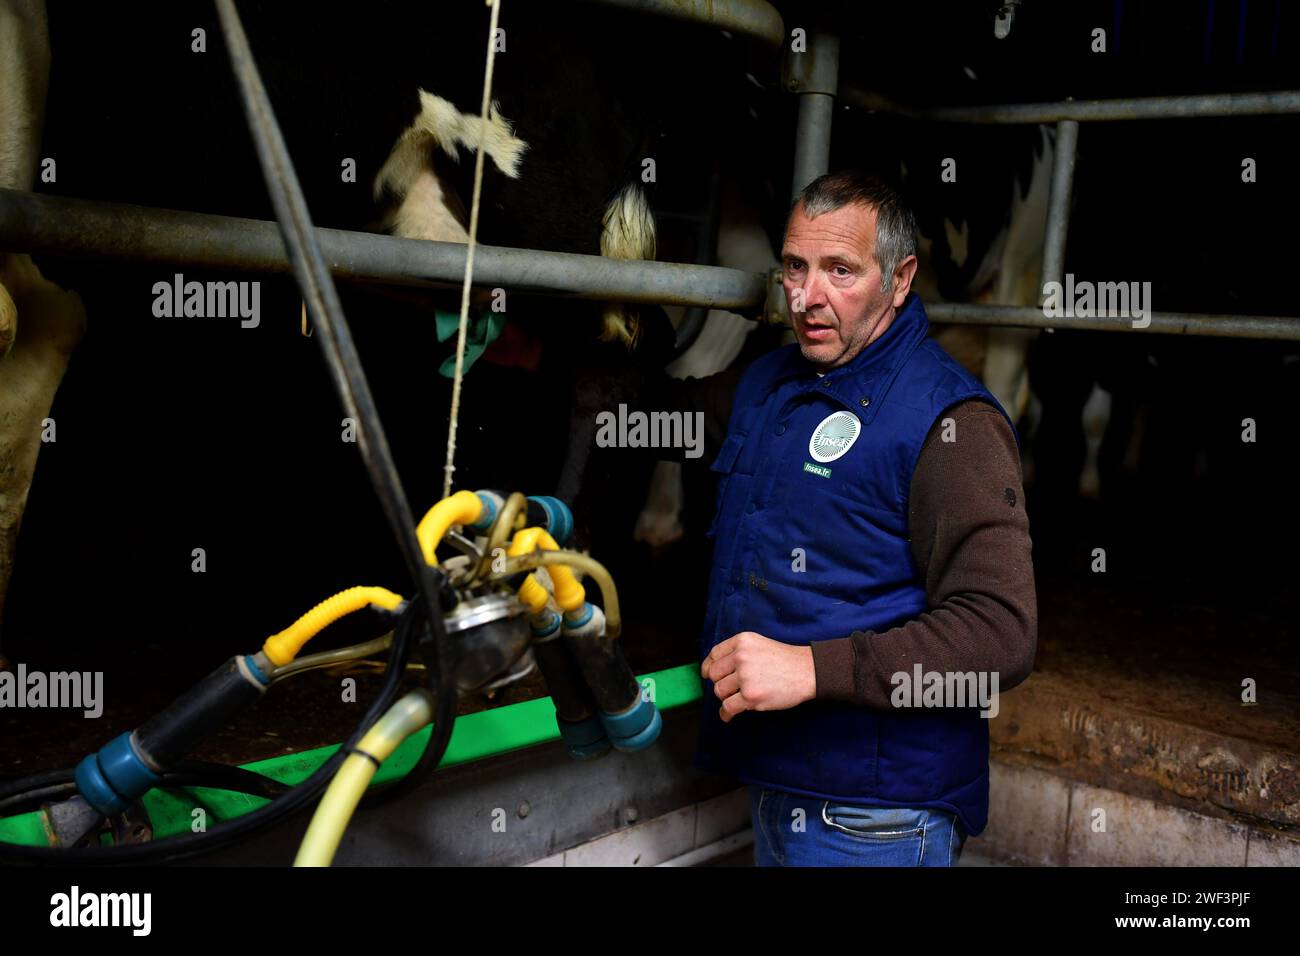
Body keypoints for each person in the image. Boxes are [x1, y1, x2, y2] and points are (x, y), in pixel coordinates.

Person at [646, 170, 1037, 866]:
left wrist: (813, 669)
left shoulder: (952, 423)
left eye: (840, 270)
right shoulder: (771, 380)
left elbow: (1000, 635)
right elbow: (661, 420)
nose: (806, 297)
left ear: (900, 277)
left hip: (877, 818)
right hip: (780, 785)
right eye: (795, 267)